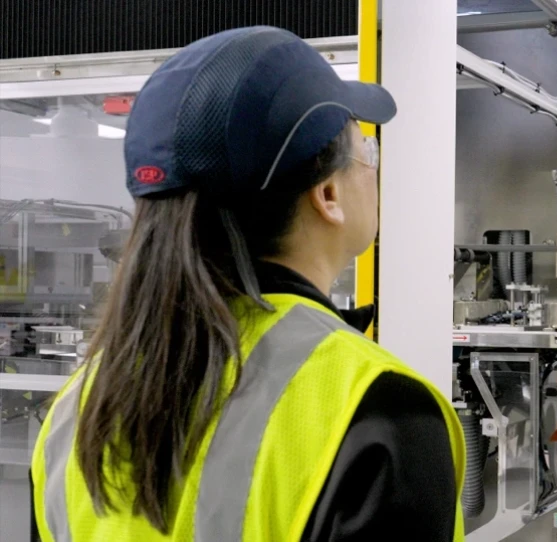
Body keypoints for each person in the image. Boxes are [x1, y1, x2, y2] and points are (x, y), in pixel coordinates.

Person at [30, 26, 465, 542]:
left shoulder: (77, 408)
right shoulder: (379, 407)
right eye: (365, 149)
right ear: (327, 193)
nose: (374, 167)